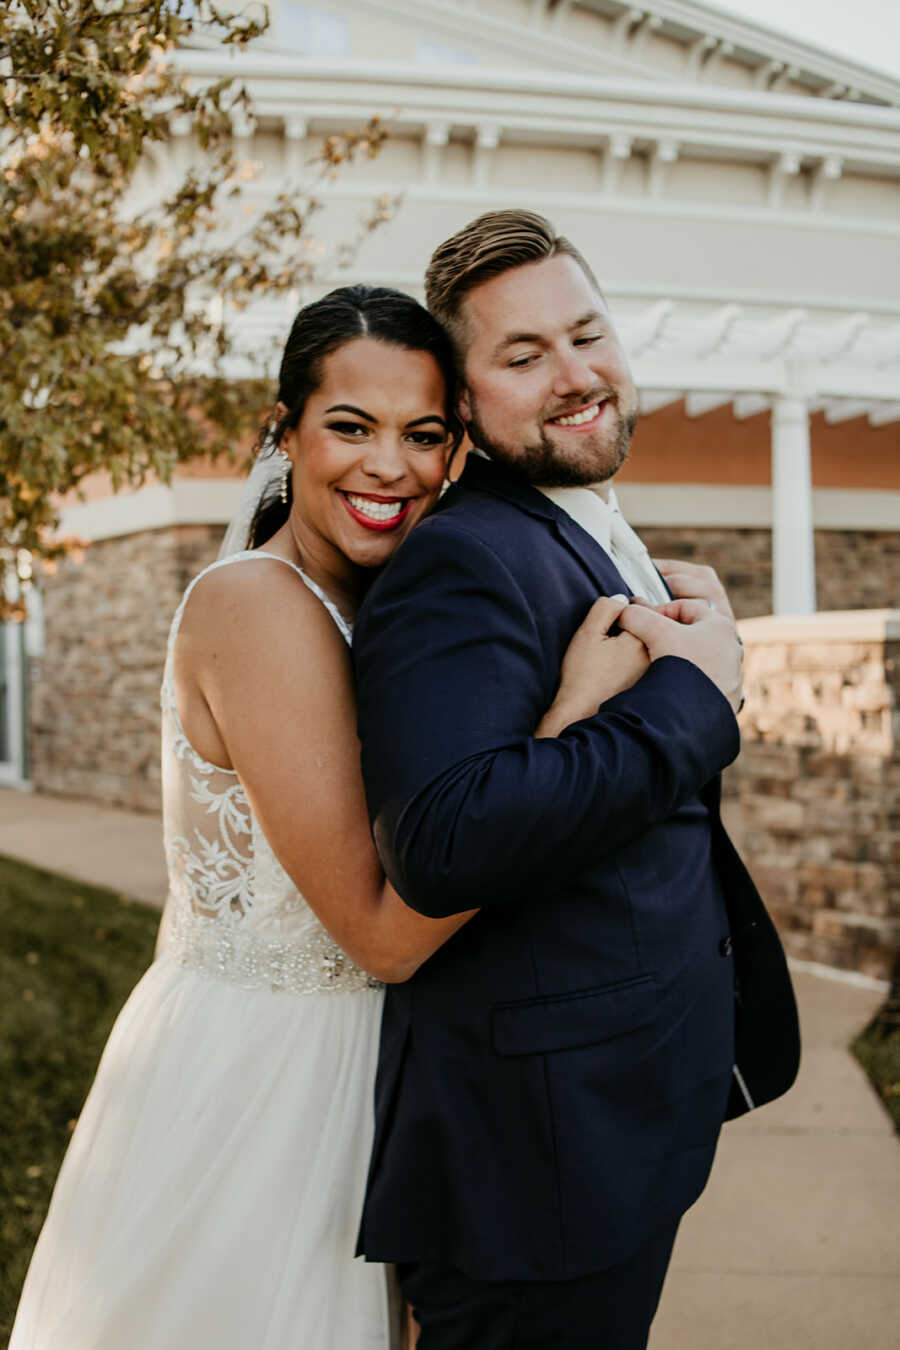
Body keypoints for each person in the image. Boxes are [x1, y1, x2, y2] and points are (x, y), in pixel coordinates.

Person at [9, 284, 652, 1350]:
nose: (387, 468)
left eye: (424, 435)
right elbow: (381, 937)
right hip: (264, 1085)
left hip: (377, 1075)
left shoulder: (384, 602)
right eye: (350, 427)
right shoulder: (258, 606)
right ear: (285, 433)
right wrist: (567, 725)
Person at [352, 213, 801, 1349]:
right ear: (462, 405)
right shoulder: (462, 557)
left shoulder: (574, 525)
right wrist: (696, 696)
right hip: (537, 1167)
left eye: (586, 335)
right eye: (522, 356)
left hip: (612, 1128)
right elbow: (446, 842)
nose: (575, 375)